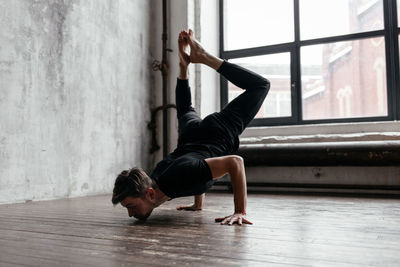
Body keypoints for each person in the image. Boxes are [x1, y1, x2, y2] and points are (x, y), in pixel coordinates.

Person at [111, 29, 270, 226]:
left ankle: (204, 57)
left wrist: (239, 211)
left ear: (150, 193)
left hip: (217, 133)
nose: (130, 214)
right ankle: (183, 66)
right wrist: (198, 203)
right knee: (185, 109)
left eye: (131, 206)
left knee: (260, 86)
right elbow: (195, 174)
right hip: (190, 135)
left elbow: (235, 162)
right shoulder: (154, 182)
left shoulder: (178, 176)